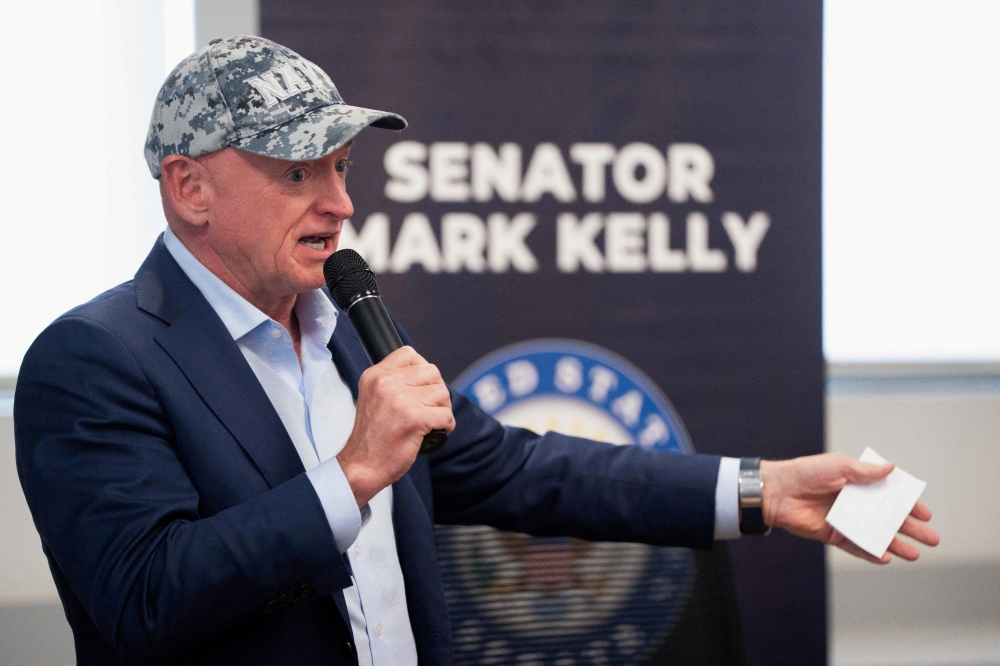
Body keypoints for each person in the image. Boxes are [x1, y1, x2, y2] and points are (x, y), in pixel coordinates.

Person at [14, 36, 938, 666]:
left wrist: (762, 490)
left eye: (341, 168)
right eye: (299, 172)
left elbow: (524, 471)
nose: (339, 203)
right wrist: (354, 474)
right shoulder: (94, 361)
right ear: (190, 189)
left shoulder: (349, 330)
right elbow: (142, 600)